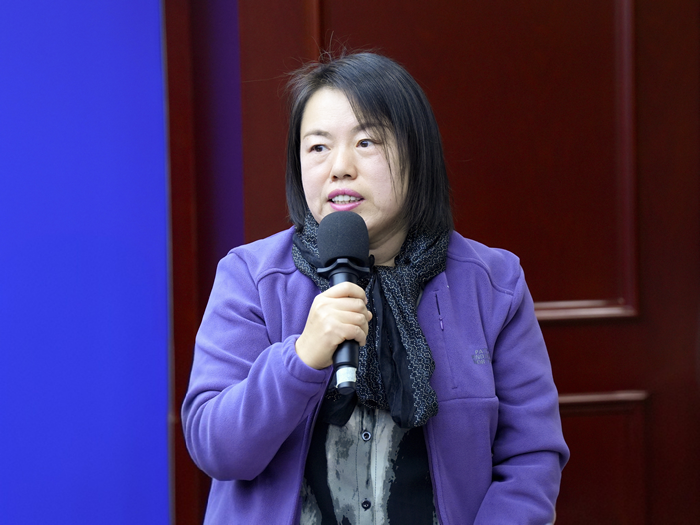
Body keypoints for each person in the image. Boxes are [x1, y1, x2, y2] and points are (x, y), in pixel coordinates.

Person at [182, 52, 569, 524]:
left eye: (366, 142)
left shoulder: (492, 284)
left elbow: (531, 458)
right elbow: (217, 449)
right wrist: (301, 359)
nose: (340, 167)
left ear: (416, 153)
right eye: (318, 147)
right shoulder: (251, 277)